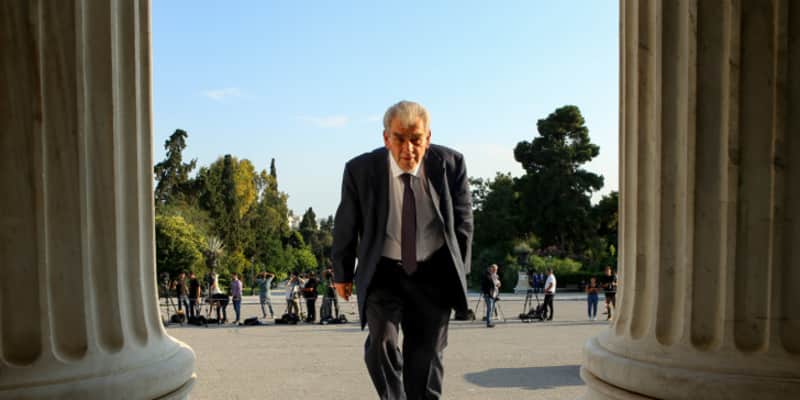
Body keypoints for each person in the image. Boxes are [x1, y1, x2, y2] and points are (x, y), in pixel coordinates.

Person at [331, 100, 473, 400]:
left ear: (428, 138)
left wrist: (459, 273)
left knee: (427, 357)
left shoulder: (451, 165)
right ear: (386, 138)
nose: (408, 149)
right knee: (381, 343)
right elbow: (346, 224)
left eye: (416, 140)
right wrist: (341, 273)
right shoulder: (360, 170)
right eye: (399, 139)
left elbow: (463, 224)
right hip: (384, 271)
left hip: (433, 272)